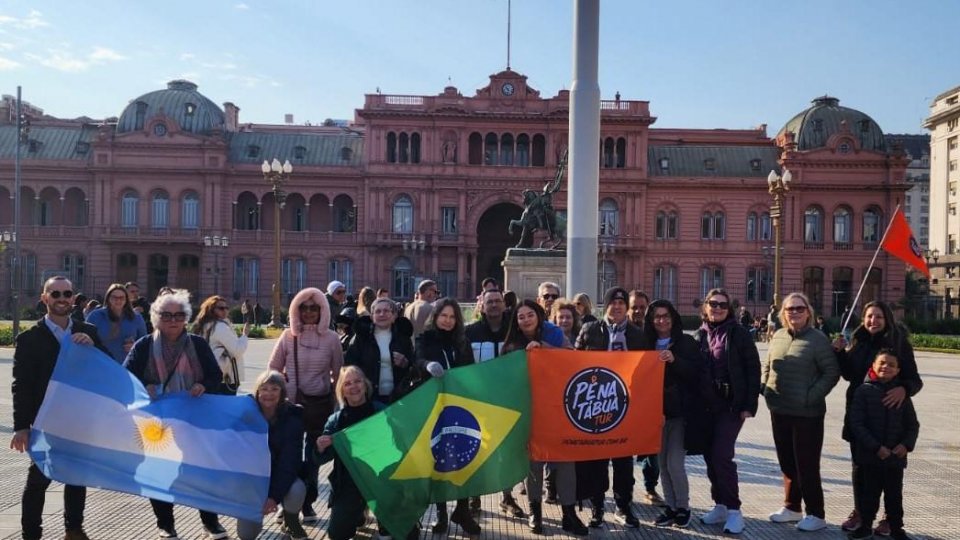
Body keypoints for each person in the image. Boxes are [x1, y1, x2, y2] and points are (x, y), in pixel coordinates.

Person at [123, 288, 227, 540]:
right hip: (155, 423)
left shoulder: (198, 344)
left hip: (194, 419)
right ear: (156, 317)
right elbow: (125, 378)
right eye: (166, 315)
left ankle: (210, 521)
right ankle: (166, 524)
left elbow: (215, 377)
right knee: (159, 472)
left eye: (179, 315)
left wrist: (204, 386)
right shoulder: (144, 345)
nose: (173, 320)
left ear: (186, 317)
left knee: (202, 471)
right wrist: (142, 385)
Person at [11, 276, 106, 540]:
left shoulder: (89, 331)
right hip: (45, 421)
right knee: (38, 481)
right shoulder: (29, 338)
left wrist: (93, 348)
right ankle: (31, 534)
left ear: (74, 299)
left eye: (67, 294)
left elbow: (108, 371)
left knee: (76, 478)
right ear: (45, 299)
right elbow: (22, 385)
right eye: (55, 294)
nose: (62, 299)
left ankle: (73, 530)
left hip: (79, 421)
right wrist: (21, 427)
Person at [833, 301, 923, 536]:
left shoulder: (898, 343)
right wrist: (840, 352)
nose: (873, 321)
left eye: (879, 317)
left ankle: (889, 518)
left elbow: (914, 379)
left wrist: (904, 389)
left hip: (892, 419)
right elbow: (850, 374)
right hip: (861, 414)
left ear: (887, 320)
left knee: (891, 476)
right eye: (869, 316)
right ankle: (861, 512)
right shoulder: (859, 340)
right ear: (863, 318)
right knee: (859, 467)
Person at [502, 299, 587, 536]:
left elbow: (573, 358)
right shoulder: (510, 347)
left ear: (538, 316)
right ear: (516, 323)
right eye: (521, 317)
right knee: (534, 463)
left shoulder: (556, 336)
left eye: (530, 315)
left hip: (559, 409)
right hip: (528, 412)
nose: (526, 319)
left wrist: (544, 349)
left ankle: (569, 514)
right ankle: (534, 512)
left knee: (566, 462)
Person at [762, 293, 840, 532]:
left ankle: (816, 513)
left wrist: (810, 396)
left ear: (808, 312)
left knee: (806, 464)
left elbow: (831, 372)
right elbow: (767, 364)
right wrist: (766, 387)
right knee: (786, 461)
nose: (794, 312)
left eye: (799, 308)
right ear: (783, 313)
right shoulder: (778, 335)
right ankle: (792, 507)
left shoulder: (818, 339)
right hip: (780, 408)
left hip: (808, 413)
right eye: (789, 309)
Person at [268, 287, 343, 525]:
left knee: (312, 459)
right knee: (287, 457)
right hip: (290, 406)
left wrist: (338, 406)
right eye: (304, 307)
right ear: (296, 310)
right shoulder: (288, 336)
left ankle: (307, 503)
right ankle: (286, 504)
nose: (309, 312)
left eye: (314, 307)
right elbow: (273, 369)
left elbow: (339, 373)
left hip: (319, 406)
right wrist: (276, 395)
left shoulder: (331, 339)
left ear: (323, 310)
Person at [316, 366, 419, 540]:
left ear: (365, 385)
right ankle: (358, 514)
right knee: (337, 534)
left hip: (383, 479)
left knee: (408, 533)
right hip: (350, 481)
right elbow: (320, 459)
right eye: (348, 383)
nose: (354, 386)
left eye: (357, 381)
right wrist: (320, 447)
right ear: (342, 390)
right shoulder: (336, 421)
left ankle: (385, 523)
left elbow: (400, 447)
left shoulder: (383, 412)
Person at [575, 286, 644, 529]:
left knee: (624, 461)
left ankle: (624, 507)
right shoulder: (590, 329)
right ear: (606, 306)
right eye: (612, 302)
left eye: (621, 303)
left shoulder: (637, 334)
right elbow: (574, 362)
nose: (617, 306)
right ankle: (597, 507)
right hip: (596, 405)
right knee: (597, 460)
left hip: (625, 406)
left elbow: (647, 369)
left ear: (626, 306)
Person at [694, 288, 761, 535]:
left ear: (729, 309)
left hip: (731, 405)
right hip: (706, 407)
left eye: (723, 304)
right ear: (706, 307)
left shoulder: (739, 334)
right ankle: (719, 504)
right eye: (713, 304)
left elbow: (753, 369)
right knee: (710, 457)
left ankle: (734, 510)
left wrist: (748, 405)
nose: (718, 308)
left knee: (722, 455)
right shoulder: (699, 335)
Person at [414, 298, 482, 535]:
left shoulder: (462, 341)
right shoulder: (425, 338)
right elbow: (418, 359)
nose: (448, 320)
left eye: (452, 317)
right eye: (444, 316)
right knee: (439, 460)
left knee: (464, 459)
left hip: (460, 406)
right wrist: (428, 365)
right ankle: (442, 514)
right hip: (434, 406)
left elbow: (470, 370)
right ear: (436, 316)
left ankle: (462, 510)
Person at [847, 351, 920, 540]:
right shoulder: (864, 391)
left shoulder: (902, 395)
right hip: (871, 456)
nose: (886, 367)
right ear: (873, 365)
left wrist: (906, 445)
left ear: (897, 371)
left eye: (891, 364)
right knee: (869, 495)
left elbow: (912, 425)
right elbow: (857, 423)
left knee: (894, 496)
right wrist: (875, 447)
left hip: (895, 458)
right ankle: (865, 526)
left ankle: (896, 528)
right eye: (882, 363)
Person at [642, 299, 699, 529]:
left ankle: (683, 507)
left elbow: (696, 373)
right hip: (656, 414)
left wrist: (675, 361)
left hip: (680, 413)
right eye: (657, 317)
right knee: (662, 464)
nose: (662, 320)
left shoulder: (685, 342)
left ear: (673, 318)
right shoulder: (646, 343)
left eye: (666, 316)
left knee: (675, 463)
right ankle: (671, 507)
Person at [464, 288, 520, 517]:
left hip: (508, 400)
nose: (495, 305)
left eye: (498, 301)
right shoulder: (470, 332)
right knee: (478, 449)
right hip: (479, 399)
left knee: (506, 452)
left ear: (504, 305)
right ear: (482, 306)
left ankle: (507, 497)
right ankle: (474, 496)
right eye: (490, 302)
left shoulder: (514, 332)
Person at [235, 370, 308, 540]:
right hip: (253, 480)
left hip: (279, 475)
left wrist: (273, 497)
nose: (269, 394)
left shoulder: (293, 419)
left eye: (274, 389)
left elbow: (289, 463)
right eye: (264, 389)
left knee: (297, 489)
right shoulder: (245, 416)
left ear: (282, 393)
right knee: (246, 535)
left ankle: (290, 520)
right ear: (257, 392)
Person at [627, 289, 662, 505]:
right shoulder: (621, 332)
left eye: (642, 307)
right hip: (623, 397)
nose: (639, 311)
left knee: (651, 447)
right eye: (635, 307)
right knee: (622, 448)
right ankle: (625, 487)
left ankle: (650, 488)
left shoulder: (654, 333)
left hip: (648, 397)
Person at [344, 297, 414, 404]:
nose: (382, 314)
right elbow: (350, 365)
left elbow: (414, 365)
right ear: (372, 317)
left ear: (394, 316)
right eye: (378, 311)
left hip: (398, 397)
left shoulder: (403, 339)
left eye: (386, 311)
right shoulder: (361, 338)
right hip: (369, 397)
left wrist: (405, 363)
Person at [194, 295, 250, 395]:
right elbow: (237, 350)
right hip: (225, 376)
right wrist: (245, 335)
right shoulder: (220, 327)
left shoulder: (204, 325)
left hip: (207, 375)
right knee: (225, 408)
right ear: (211, 310)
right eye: (221, 308)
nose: (225, 311)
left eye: (226, 308)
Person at [85, 283, 148, 364]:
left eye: (122, 298)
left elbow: (144, 343)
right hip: (100, 364)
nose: (118, 300)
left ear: (126, 300)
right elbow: (85, 339)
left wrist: (134, 346)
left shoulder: (136, 317)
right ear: (108, 298)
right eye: (114, 297)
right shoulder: (95, 316)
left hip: (126, 366)